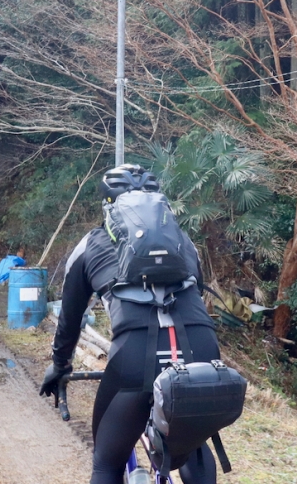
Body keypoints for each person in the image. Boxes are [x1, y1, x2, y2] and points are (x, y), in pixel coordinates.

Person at [39, 164, 221, 484]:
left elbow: (70, 318)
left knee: (107, 463)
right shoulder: (183, 242)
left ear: (107, 205)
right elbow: (196, 297)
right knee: (193, 440)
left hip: (136, 355)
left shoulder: (91, 244)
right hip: (199, 345)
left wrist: (59, 364)